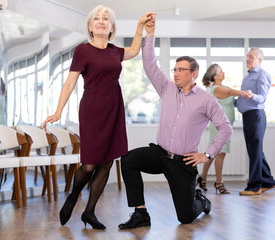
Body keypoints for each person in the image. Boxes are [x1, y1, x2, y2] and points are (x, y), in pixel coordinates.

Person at [42, 5, 156, 229]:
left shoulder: (115, 51)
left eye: (106, 19)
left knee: (107, 162)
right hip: (93, 110)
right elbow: (70, 82)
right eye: (97, 19)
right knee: (89, 163)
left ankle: (90, 212)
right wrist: (58, 111)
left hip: (114, 109)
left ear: (111, 26)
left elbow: (134, 49)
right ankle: (73, 197)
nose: (101, 21)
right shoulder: (83, 51)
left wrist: (140, 26)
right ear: (91, 27)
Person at [118, 20, 233, 229]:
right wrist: (150, 34)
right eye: (175, 69)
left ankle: (202, 200)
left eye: (181, 70)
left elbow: (226, 127)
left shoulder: (207, 100)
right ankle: (140, 212)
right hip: (160, 153)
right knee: (128, 160)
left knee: (185, 217)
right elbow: (149, 65)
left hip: (183, 162)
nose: (176, 73)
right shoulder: (166, 88)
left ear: (194, 74)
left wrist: (207, 155)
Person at [198, 64, 250, 194]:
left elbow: (232, 96)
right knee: (220, 153)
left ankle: (202, 177)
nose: (223, 72)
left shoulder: (224, 87)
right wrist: (242, 92)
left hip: (226, 125)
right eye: (220, 71)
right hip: (219, 126)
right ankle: (219, 182)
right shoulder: (216, 89)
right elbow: (229, 93)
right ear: (215, 76)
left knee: (212, 152)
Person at [236, 47, 275, 196]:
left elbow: (262, 97)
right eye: (247, 56)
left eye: (251, 56)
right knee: (255, 150)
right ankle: (268, 181)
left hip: (256, 116)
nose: (248, 59)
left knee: (254, 151)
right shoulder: (247, 76)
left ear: (259, 60)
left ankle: (254, 186)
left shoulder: (262, 75)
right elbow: (243, 98)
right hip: (248, 116)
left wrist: (251, 95)